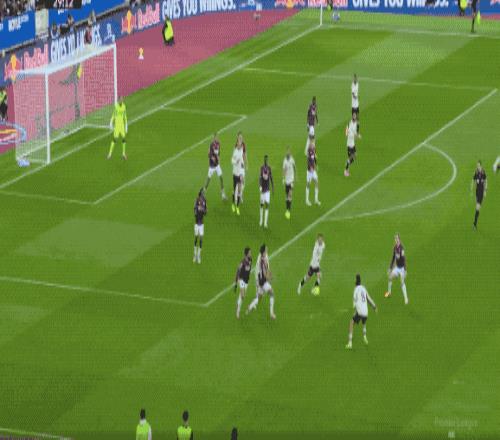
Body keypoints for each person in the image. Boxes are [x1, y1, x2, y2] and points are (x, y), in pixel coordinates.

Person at [346, 274, 377, 349]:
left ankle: (350, 343)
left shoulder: (356, 289)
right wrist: (374, 306)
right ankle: (365, 337)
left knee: (351, 323)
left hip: (360, 311)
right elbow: (368, 299)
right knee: (364, 322)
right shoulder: (363, 288)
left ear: (355, 281)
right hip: (366, 312)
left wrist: (355, 309)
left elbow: (355, 301)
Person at [246, 244, 276, 320]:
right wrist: (270, 278)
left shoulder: (263, 257)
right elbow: (265, 274)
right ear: (263, 252)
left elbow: (267, 269)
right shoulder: (262, 261)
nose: (267, 249)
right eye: (266, 249)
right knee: (271, 293)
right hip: (262, 281)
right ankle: (271, 313)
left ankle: (250, 306)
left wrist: (270, 274)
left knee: (259, 297)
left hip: (260, 280)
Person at [385, 233, 409, 304]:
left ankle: (406, 298)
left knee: (402, 282)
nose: (396, 240)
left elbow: (404, 259)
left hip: (402, 269)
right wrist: (390, 268)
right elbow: (393, 258)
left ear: (399, 239)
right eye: (395, 238)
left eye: (397, 238)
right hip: (397, 268)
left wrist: (405, 270)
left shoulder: (402, 248)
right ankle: (389, 292)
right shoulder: (395, 248)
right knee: (390, 277)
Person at [204, 132, 227, 200]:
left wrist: (218, 158)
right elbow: (208, 154)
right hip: (212, 166)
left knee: (221, 178)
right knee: (208, 179)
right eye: (215, 137)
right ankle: (203, 193)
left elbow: (218, 153)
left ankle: (223, 194)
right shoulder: (211, 145)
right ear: (213, 138)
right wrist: (212, 158)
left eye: (217, 137)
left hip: (217, 165)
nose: (216, 138)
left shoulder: (218, 144)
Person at [234, 247, 252, 319]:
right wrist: (236, 282)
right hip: (241, 279)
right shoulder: (242, 262)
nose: (251, 253)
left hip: (246, 281)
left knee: (241, 297)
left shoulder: (250, 260)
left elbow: (248, 270)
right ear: (246, 254)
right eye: (250, 252)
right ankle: (237, 312)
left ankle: (237, 305)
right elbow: (238, 271)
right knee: (242, 295)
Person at [344, 111, 361, 177]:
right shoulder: (349, 124)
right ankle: (346, 170)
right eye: (353, 116)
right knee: (351, 157)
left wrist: (358, 135)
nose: (354, 117)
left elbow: (356, 132)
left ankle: (347, 165)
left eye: (355, 116)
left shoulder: (356, 124)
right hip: (349, 144)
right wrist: (354, 135)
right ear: (352, 117)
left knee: (355, 156)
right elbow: (346, 134)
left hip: (353, 144)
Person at [259, 155, 274, 228]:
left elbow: (271, 178)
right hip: (262, 190)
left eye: (267, 159)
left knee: (267, 205)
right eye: (265, 159)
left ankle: (265, 222)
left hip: (267, 190)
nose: (266, 160)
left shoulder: (269, 168)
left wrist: (273, 187)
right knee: (261, 205)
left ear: (267, 160)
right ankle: (261, 220)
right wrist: (260, 186)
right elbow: (260, 178)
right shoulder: (261, 168)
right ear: (264, 160)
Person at [231, 138, 245, 215]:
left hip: (239, 173)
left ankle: (237, 207)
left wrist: (242, 165)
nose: (240, 144)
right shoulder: (235, 151)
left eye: (241, 143)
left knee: (239, 190)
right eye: (239, 143)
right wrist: (236, 162)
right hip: (235, 173)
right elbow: (232, 160)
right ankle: (233, 204)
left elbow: (242, 159)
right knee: (234, 190)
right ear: (237, 144)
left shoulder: (241, 150)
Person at [471, 160, 487, 229]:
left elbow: (486, 180)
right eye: (477, 165)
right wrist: (471, 188)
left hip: (481, 192)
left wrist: (485, 191)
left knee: (477, 207)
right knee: (477, 207)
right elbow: (473, 180)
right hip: (477, 191)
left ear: (481, 165)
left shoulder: (483, 172)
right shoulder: (476, 172)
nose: (477, 166)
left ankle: (474, 224)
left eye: (478, 165)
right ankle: (475, 224)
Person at [193, 188, 207, 264]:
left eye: (204, 193)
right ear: (200, 193)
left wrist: (203, 210)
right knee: (196, 238)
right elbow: (194, 210)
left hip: (201, 223)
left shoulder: (205, 201)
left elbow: (206, 212)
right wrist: (198, 209)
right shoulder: (196, 200)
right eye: (203, 193)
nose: (203, 194)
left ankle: (199, 255)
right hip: (196, 222)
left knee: (201, 239)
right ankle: (195, 254)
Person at [282, 146, 296, 219]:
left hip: (291, 180)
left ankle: (288, 211)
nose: (288, 152)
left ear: (290, 152)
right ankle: (287, 209)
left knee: (290, 194)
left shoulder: (292, 159)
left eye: (289, 151)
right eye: (287, 151)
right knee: (287, 196)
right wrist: (283, 179)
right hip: (287, 180)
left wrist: (295, 176)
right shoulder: (284, 161)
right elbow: (284, 170)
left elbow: (294, 167)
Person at [305, 139, 320, 206]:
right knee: (308, 184)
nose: (314, 144)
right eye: (313, 143)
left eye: (314, 143)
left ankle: (316, 200)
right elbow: (308, 160)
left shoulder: (314, 149)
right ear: (311, 144)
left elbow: (314, 158)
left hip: (313, 170)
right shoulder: (309, 151)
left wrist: (316, 165)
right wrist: (311, 167)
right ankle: (307, 200)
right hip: (309, 171)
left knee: (316, 182)